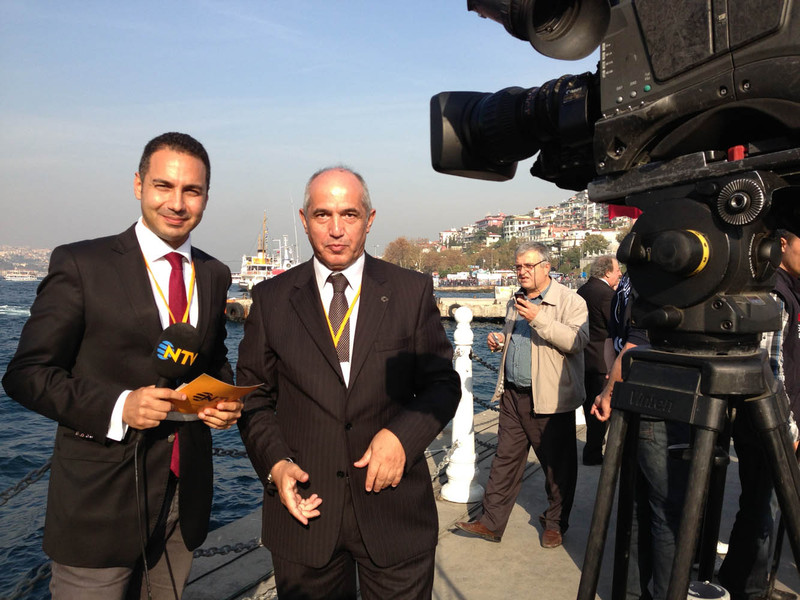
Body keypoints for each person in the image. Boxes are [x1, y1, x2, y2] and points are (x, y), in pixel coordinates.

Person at [2, 132, 242, 599]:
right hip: (99, 502)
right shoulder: (81, 263)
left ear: (206, 197)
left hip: (184, 495)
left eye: (191, 190)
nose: (177, 203)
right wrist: (120, 406)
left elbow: (213, 362)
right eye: (163, 186)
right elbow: (25, 374)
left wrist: (221, 400)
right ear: (138, 185)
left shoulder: (214, 274)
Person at [236, 166, 461, 600]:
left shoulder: (410, 291)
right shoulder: (270, 299)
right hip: (304, 511)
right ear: (304, 220)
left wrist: (402, 438)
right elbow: (254, 398)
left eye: (349, 215)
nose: (336, 229)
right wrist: (276, 464)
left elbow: (442, 383)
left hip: (394, 510)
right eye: (323, 215)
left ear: (369, 219)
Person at [455, 242, 589, 549]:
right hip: (513, 395)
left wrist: (539, 317)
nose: (522, 272)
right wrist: (501, 341)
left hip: (550, 399)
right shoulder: (515, 301)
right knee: (505, 460)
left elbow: (577, 341)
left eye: (529, 266)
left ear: (546, 267)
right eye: (518, 267)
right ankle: (491, 522)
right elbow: (521, 341)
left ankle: (555, 523)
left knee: (556, 467)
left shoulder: (570, 301)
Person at [717, 229, 800, 600]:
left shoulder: (789, 290)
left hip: (779, 416)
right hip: (771, 420)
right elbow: (770, 368)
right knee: (762, 505)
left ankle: (743, 578)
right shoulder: (775, 294)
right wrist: (788, 427)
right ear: (782, 244)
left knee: (761, 504)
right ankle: (749, 587)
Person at [577, 255, 621, 465]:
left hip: (584, 357)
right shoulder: (606, 295)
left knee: (589, 406)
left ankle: (593, 447)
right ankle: (593, 452)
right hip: (602, 359)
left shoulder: (582, 290)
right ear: (607, 272)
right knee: (601, 406)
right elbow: (614, 325)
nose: (620, 273)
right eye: (617, 270)